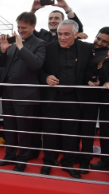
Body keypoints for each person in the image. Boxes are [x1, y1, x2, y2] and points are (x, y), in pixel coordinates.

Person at [39, 20, 93, 179]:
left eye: (66, 34)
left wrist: (95, 79)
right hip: (52, 98)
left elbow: (91, 68)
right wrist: (46, 77)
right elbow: (38, 70)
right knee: (49, 133)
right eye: (60, 34)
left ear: (76, 35)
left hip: (74, 99)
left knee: (71, 134)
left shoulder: (86, 48)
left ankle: (68, 163)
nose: (62, 37)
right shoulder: (48, 48)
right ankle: (48, 162)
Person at [0, 12, 47, 172]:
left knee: (24, 129)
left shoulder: (40, 44)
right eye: (18, 27)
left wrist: (21, 46)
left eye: (23, 28)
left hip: (25, 95)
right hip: (8, 93)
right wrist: (3, 51)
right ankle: (9, 155)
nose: (20, 30)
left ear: (33, 26)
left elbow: (36, 64)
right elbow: (3, 66)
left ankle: (22, 159)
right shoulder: (13, 44)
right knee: (9, 127)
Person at [89, 28, 109, 171]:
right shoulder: (90, 50)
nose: (100, 43)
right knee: (104, 130)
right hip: (95, 97)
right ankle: (105, 160)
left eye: (105, 41)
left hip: (107, 98)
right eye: (99, 38)